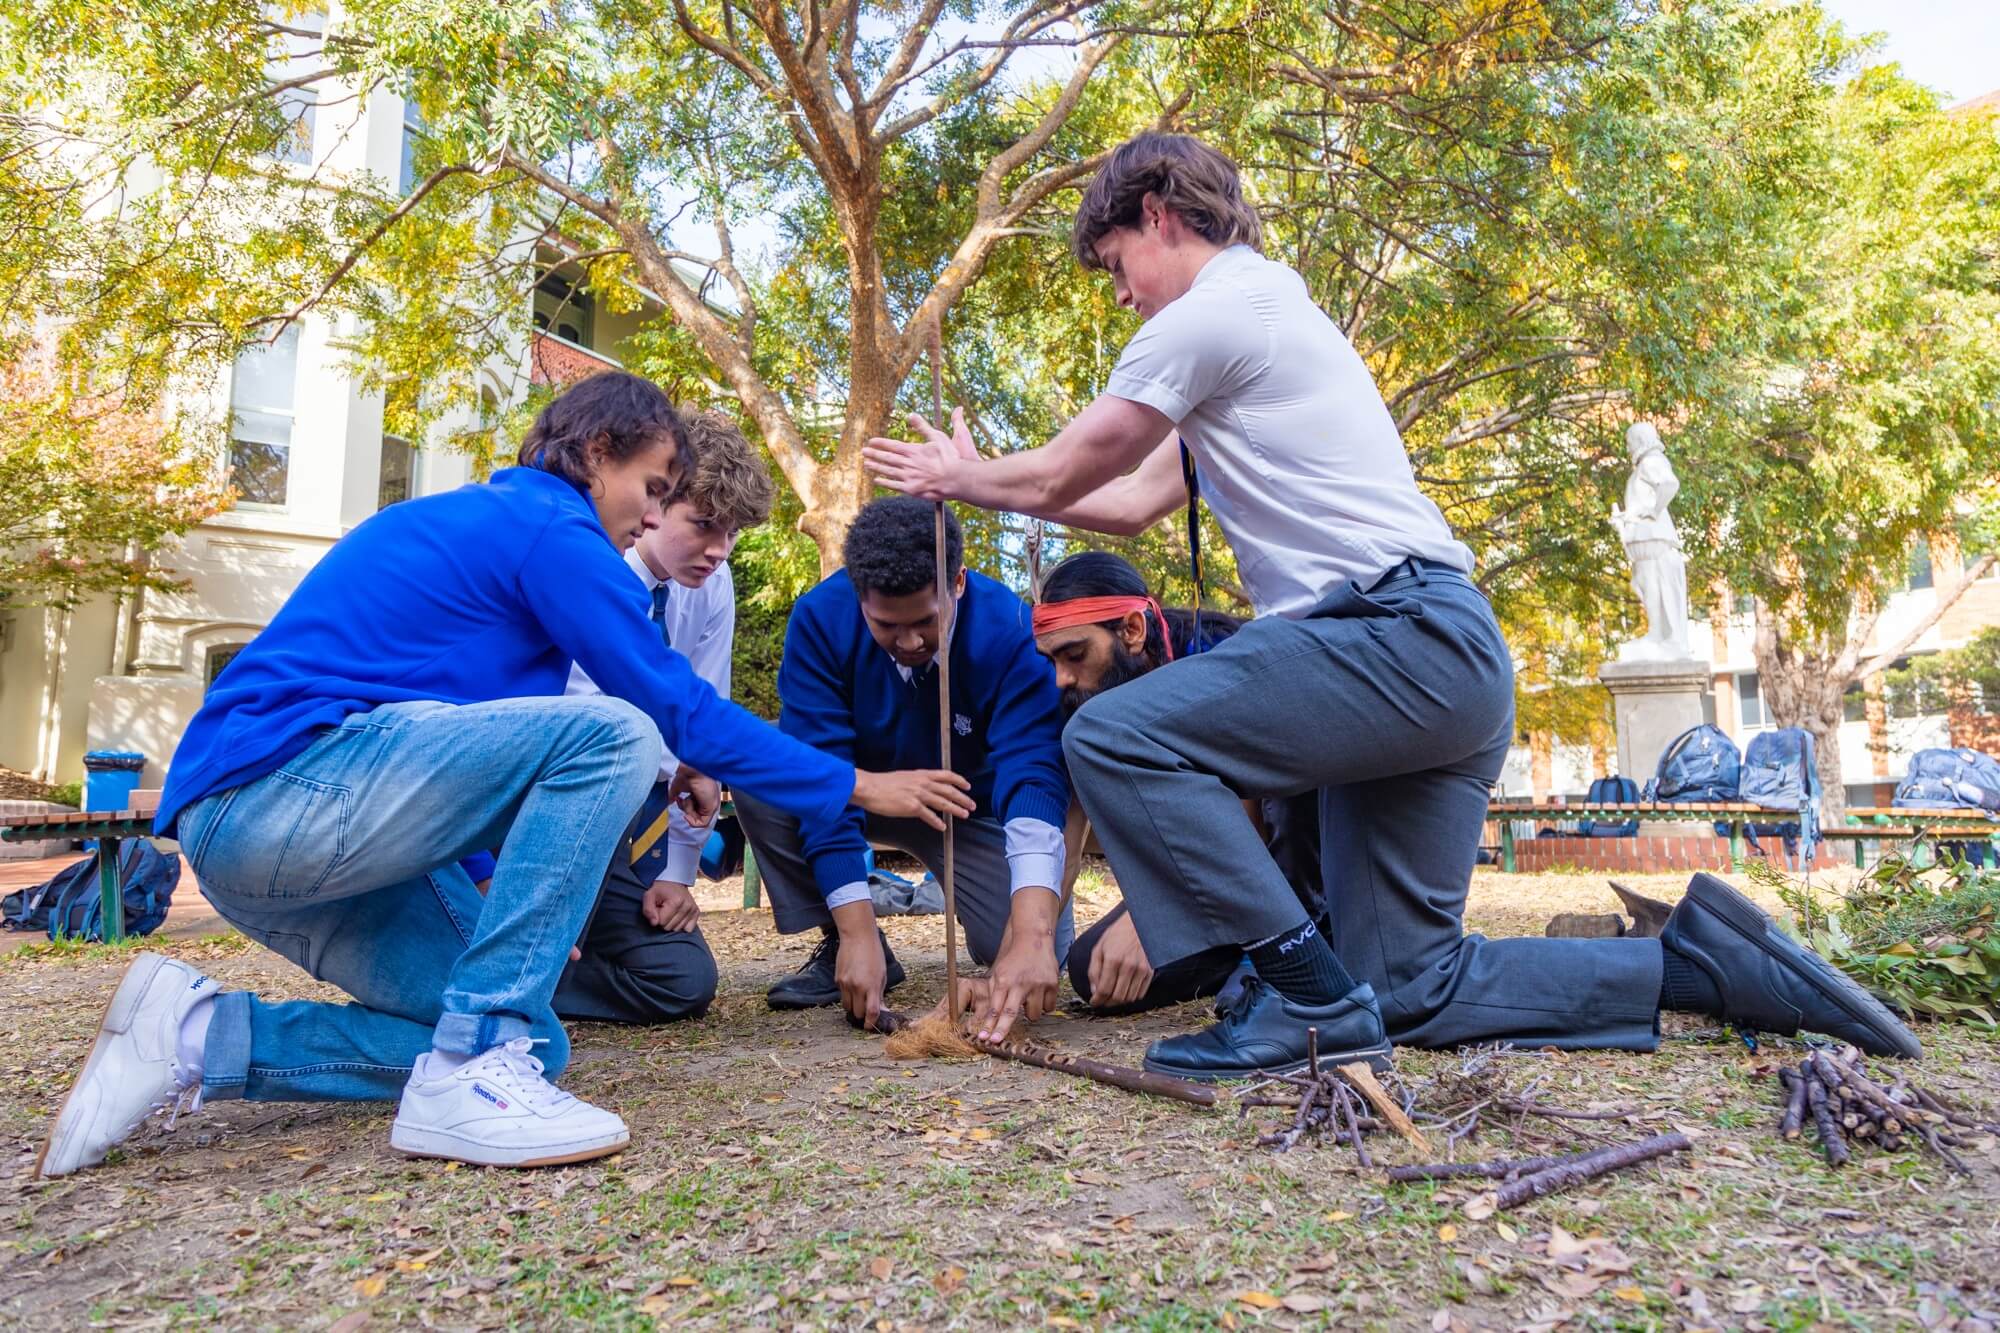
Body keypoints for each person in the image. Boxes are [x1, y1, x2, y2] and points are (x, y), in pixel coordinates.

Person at [866, 132, 1920, 1078]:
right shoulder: (1273, 321)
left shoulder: (1213, 309)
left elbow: (1059, 476)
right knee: (1410, 982)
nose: (1121, 295)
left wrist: (962, 476)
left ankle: (1303, 999)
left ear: (1156, 215)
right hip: (1438, 663)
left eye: (1114, 268)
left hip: (1391, 637)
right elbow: (1133, 503)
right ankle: (1695, 967)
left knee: (1114, 732)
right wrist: (999, 477)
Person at [38, 372, 972, 1178]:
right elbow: (678, 713)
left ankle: (197, 1035)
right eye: (650, 487)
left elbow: (458, 773)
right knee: (611, 731)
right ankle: (467, 1073)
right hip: (271, 797)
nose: (651, 516)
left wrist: (510, 904)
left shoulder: (511, 536)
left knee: (528, 1040)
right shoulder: (546, 528)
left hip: (308, 845)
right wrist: (859, 787)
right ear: (598, 451)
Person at [735, 496, 1073, 1032]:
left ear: (958, 582)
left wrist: (1031, 937)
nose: (910, 641)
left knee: (1036, 945)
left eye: (926, 620)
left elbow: (1033, 773)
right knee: (771, 768)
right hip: (866, 795)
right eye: (886, 625)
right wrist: (855, 930)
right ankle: (846, 941)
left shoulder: (1009, 628)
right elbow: (818, 771)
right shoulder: (820, 620)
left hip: (971, 811)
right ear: (858, 597)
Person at [550, 408, 773, 1025]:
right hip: (562, 810)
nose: (717, 551)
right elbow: (582, 720)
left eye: (731, 535)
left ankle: (545, 982)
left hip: (643, 814)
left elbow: (705, 711)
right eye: (702, 526)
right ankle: (513, 964)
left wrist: (679, 872)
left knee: (684, 981)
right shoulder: (584, 564)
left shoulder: (712, 583)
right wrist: (684, 751)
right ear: (655, 502)